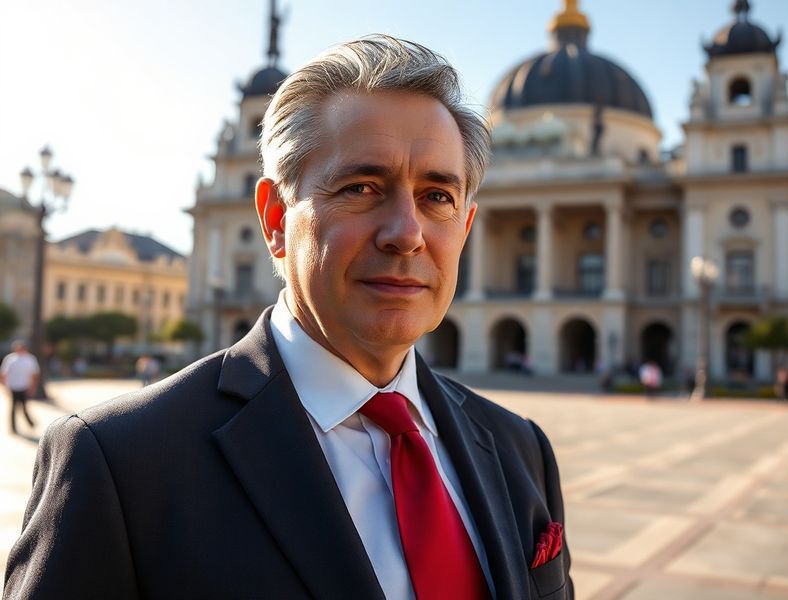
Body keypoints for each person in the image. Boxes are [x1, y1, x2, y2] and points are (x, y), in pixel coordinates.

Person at [4, 36, 572, 599]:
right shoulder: (121, 462)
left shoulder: (520, 448)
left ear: (466, 228)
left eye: (437, 197)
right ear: (275, 218)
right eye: (362, 187)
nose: (407, 233)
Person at [1, 340, 39, 435]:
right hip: (13, 387)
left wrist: (33, 387)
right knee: (13, 407)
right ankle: (13, 427)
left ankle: (31, 423)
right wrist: (4, 386)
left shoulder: (30, 359)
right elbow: (3, 374)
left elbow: (34, 374)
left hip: (24, 387)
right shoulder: (10, 359)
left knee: (24, 407)